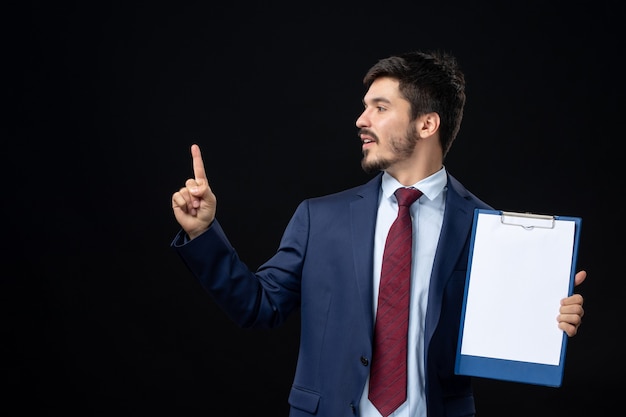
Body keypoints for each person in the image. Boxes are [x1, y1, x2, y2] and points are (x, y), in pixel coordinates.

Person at [170, 50, 586, 417]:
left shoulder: (489, 229)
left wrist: (549, 318)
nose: (361, 120)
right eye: (364, 107)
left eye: (380, 107)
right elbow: (259, 306)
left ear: (427, 124)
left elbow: (508, 331)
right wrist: (203, 233)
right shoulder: (319, 218)